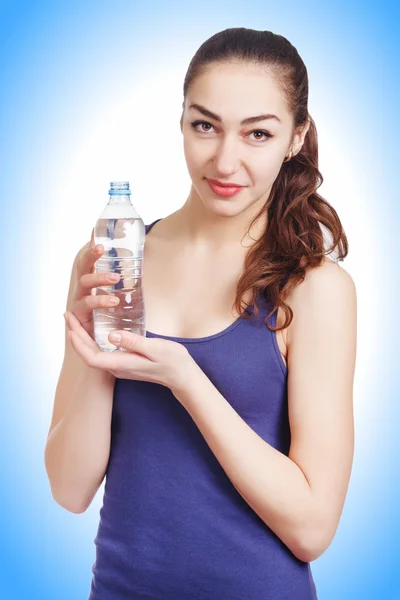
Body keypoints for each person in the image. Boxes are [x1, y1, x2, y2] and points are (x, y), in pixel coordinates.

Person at [45, 27, 357, 600]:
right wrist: (98, 358)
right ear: (182, 121)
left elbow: (313, 528)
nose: (225, 160)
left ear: (296, 137)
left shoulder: (313, 288)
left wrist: (187, 379)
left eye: (258, 133)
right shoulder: (113, 259)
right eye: (204, 125)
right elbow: (69, 490)